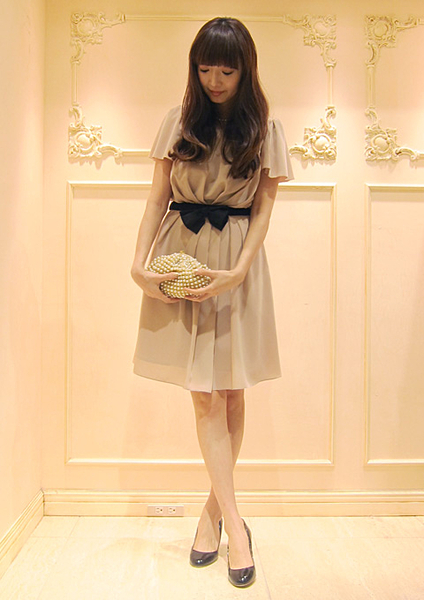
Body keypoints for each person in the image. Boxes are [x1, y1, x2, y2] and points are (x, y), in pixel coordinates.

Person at [131, 17, 294, 588]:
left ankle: (215, 516)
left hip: (234, 265)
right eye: (205, 69)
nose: (215, 81)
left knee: (229, 389)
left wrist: (239, 271)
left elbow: (264, 209)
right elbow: (156, 199)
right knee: (204, 395)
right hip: (180, 259)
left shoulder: (265, 129)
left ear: (246, 70)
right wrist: (138, 262)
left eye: (227, 70)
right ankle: (233, 524)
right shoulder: (177, 122)